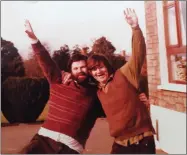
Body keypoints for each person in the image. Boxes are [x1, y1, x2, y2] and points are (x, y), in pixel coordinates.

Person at [19, 20, 104, 154]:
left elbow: (116, 104)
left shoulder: (96, 93)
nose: (80, 70)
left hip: (69, 148)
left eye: (83, 67)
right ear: (70, 70)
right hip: (43, 140)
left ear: (88, 69)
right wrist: (34, 40)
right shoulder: (59, 80)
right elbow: (45, 61)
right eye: (76, 68)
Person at [87, 8, 156, 154]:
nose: (98, 72)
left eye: (101, 67)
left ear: (107, 67)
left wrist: (135, 28)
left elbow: (138, 54)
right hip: (119, 143)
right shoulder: (98, 91)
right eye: (94, 70)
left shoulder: (123, 74)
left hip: (141, 141)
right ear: (91, 73)